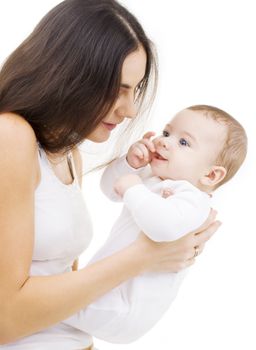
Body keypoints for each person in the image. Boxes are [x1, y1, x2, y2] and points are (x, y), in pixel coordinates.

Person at [0, 1, 220, 349]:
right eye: (118, 89)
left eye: (135, 89)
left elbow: (64, 288)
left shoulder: (67, 152)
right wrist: (146, 255)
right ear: (67, 74)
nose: (131, 110)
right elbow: (5, 319)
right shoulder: (9, 136)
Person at [63, 105, 247, 343]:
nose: (164, 142)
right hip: (103, 290)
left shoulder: (194, 200)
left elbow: (162, 228)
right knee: (55, 302)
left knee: (48, 299)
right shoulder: (153, 179)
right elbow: (110, 189)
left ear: (211, 176)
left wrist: (133, 188)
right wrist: (130, 164)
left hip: (122, 309)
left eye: (184, 143)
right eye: (167, 133)